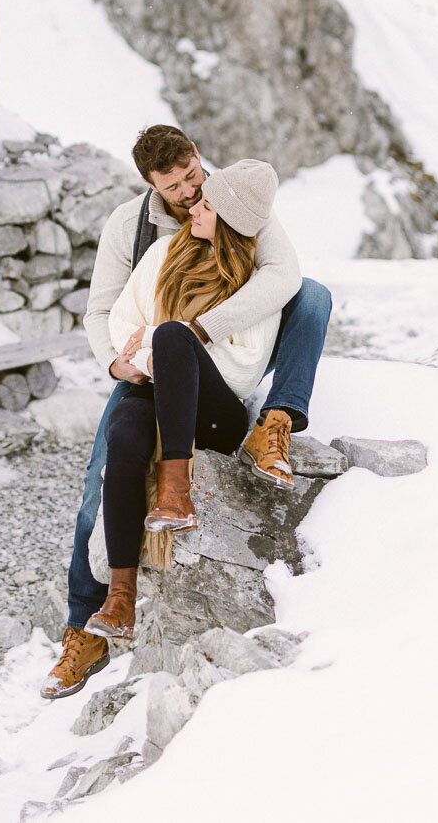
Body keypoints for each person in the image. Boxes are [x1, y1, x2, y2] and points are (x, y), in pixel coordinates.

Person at [40, 125, 331, 700]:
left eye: (192, 177)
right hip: (147, 367)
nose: (189, 192)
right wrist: (116, 366)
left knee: (314, 296)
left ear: (198, 157)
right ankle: (88, 626)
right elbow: (102, 312)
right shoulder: (132, 228)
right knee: (100, 480)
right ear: (152, 185)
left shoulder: (235, 198)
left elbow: (284, 277)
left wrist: (200, 333)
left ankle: (275, 421)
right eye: (173, 187)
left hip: (219, 358)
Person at [86, 161, 280, 641]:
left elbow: (243, 369)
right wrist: (149, 358)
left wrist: (166, 348)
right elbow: (120, 321)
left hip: (213, 414)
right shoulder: (165, 252)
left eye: (208, 205)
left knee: (174, 335)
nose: (194, 206)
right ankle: (121, 596)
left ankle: (177, 494)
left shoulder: (254, 281)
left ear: (231, 219)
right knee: (125, 428)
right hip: (152, 389)